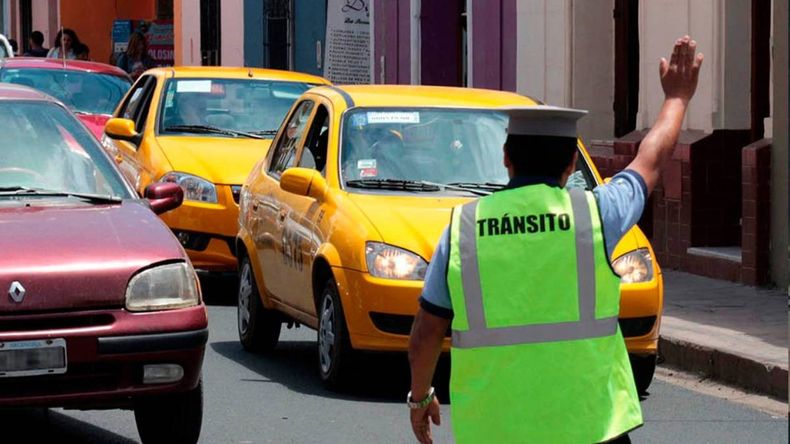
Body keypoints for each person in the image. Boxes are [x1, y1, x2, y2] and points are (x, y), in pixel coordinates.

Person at [407, 36, 703, 444]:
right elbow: (649, 161)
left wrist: (419, 398)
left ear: (506, 157)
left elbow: (425, 334)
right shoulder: (596, 213)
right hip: (592, 428)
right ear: (570, 165)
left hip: (496, 431)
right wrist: (677, 98)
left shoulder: (463, 229)